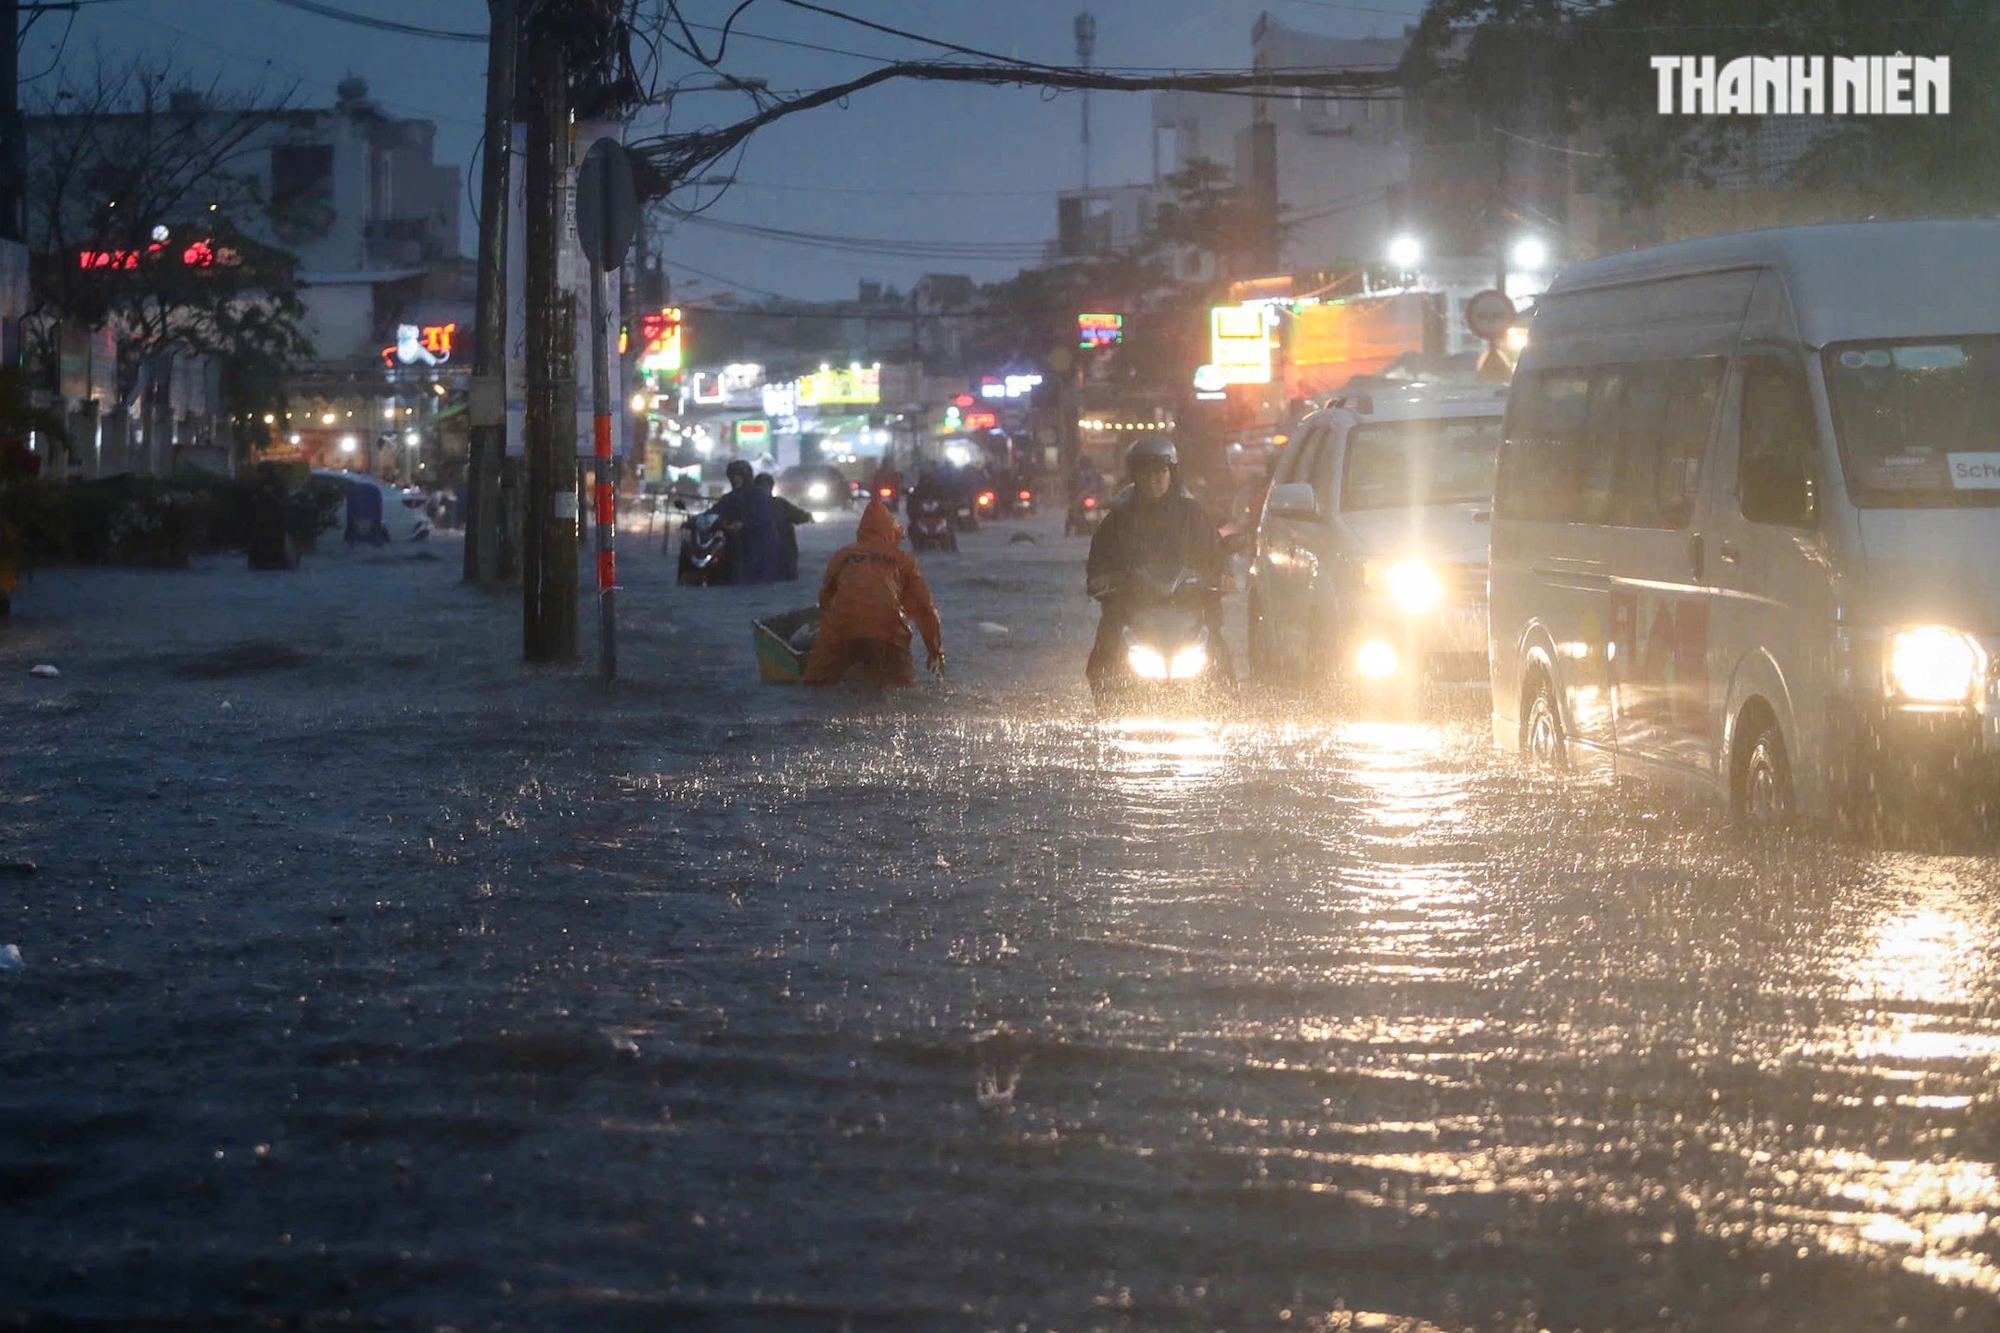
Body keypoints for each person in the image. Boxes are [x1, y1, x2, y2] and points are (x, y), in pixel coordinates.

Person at [1084, 434, 1231, 689]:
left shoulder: (1193, 514)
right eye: (1146, 474)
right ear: (1135, 477)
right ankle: (1108, 703)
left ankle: (1227, 702)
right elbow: (1098, 561)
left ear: (1171, 473)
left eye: (1160, 473)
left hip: (1188, 600)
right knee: (1105, 653)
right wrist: (1102, 580)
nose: (1153, 480)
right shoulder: (1117, 519)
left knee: (1219, 653)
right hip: (1133, 603)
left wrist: (1223, 575)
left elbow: (1215, 551)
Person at [803, 498, 945, 687]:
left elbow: (826, 599)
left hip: (841, 630)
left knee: (816, 687)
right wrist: (935, 650)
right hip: (888, 634)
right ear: (892, 532)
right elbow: (925, 609)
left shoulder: (843, 554)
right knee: (900, 690)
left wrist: (828, 634)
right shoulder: (904, 561)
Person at [709, 459, 785, 585]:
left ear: (746, 476)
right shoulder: (729, 497)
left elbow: (763, 515)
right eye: (732, 476)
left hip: (759, 544)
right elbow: (715, 510)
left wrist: (744, 523)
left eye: (738, 476)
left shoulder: (759, 495)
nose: (735, 479)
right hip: (736, 543)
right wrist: (696, 520)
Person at [754, 471, 814, 581]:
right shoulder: (779, 503)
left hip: (764, 557)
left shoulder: (750, 505)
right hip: (783, 553)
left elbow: (800, 516)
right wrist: (809, 517)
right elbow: (800, 516)